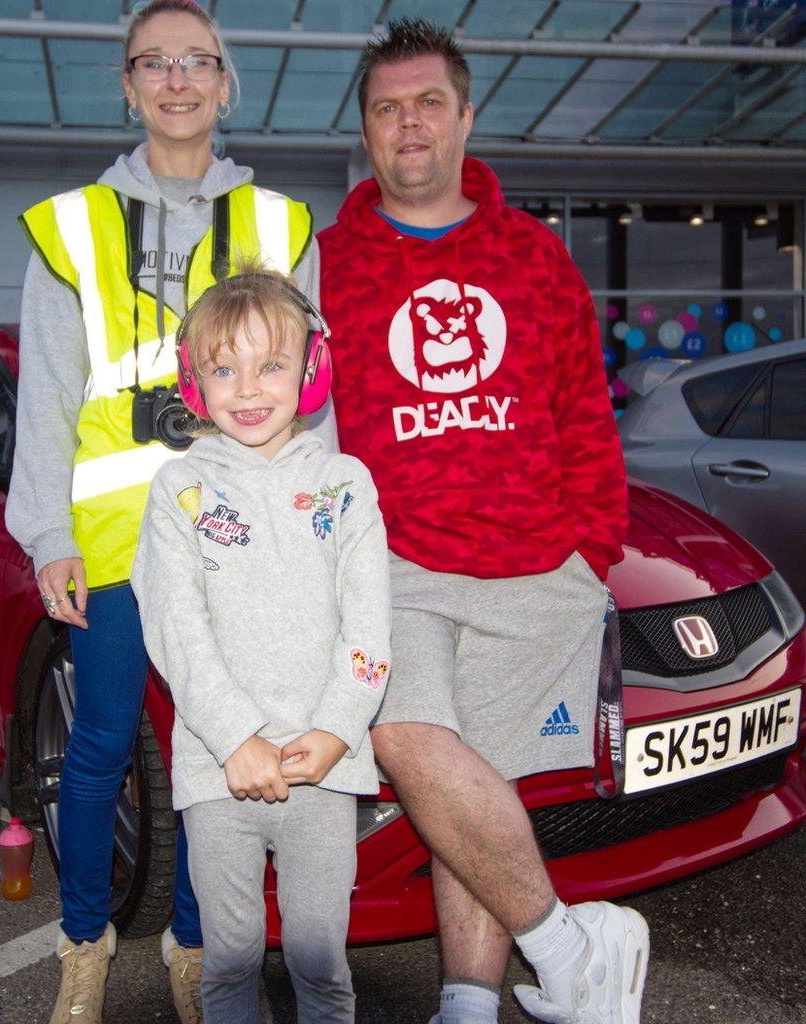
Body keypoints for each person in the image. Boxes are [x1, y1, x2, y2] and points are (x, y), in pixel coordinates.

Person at [316, 18, 649, 1024]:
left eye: (427, 103)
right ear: (366, 133)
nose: (407, 124)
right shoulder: (324, 264)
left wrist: (592, 548)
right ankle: (570, 944)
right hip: (398, 566)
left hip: (537, 568)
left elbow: (585, 412)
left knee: (478, 798)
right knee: (412, 738)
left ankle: (467, 1004)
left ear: (465, 115)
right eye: (386, 109)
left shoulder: (535, 257)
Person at [5, 3, 331, 1022]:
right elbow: (47, 396)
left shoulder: (280, 226)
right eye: (156, 63)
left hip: (238, 534)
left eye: (199, 62)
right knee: (102, 745)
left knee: (209, 746)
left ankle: (197, 947)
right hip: (112, 538)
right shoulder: (70, 228)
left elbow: (312, 392)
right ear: (129, 84)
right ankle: (84, 946)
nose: (178, 80)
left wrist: (314, 527)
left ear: (226, 84)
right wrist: (46, 536)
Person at [130, 268, 391, 1024]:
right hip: (218, 771)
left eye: (271, 364)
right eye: (223, 367)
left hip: (324, 768)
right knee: (230, 962)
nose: (247, 387)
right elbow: (176, 627)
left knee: (321, 964)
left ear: (311, 373)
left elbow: (369, 629)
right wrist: (236, 738)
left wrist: (339, 728)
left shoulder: (347, 484)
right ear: (194, 382)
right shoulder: (178, 488)